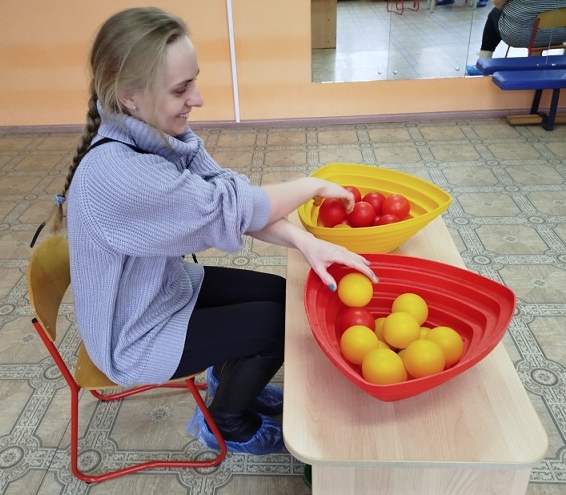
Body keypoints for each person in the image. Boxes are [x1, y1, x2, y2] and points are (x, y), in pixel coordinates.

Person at [39, 7, 379, 455]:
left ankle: (231, 377)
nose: (196, 99)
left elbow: (232, 200)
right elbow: (229, 209)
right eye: (181, 89)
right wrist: (311, 185)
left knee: (283, 298)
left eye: (193, 82)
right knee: (277, 326)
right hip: (133, 336)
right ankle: (226, 422)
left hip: (161, 289)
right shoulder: (117, 174)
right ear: (129, 96)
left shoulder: (156, 132)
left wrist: (305, 241)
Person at [466, 0, 566, 75]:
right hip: (560, 34)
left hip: (520, 35)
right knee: (540, 15)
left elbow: (498, 3)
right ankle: (535, 61)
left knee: (494, 14)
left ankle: (482, 63)